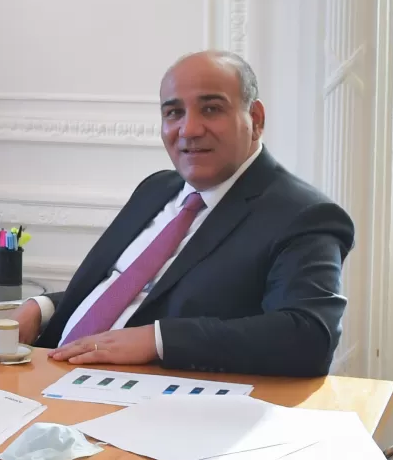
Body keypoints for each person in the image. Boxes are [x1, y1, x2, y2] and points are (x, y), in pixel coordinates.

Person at [17, 51, 354, 378]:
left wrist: (158, 341)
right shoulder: (157, 189)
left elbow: (308, 335)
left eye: (211, 109)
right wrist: (43, 309)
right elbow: (129, 291)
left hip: (145, 404)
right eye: (174, 113)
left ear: (256, 119)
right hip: (44, 370)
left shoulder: (304, 215)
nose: (189, 129)